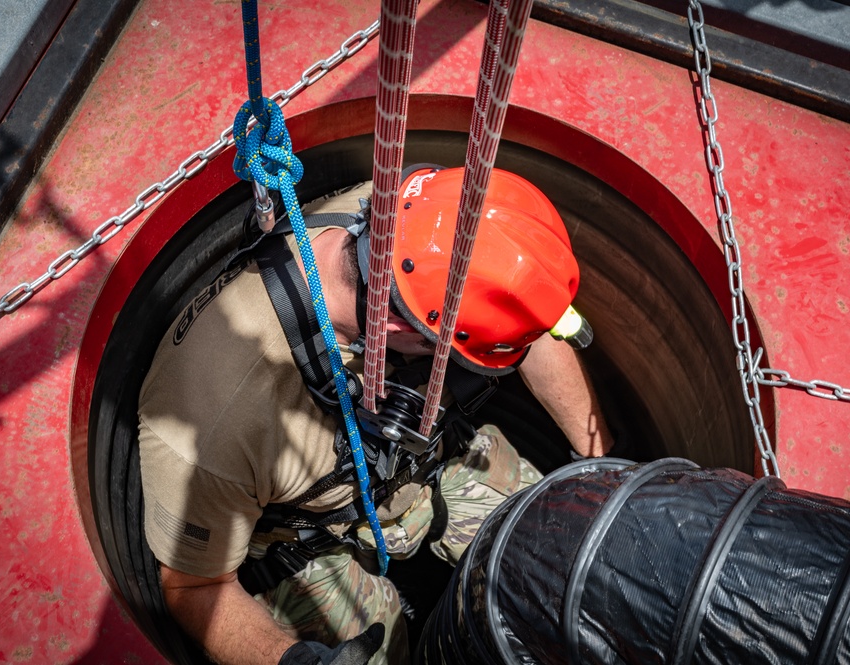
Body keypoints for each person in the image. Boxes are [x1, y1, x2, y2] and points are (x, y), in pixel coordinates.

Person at [138, 165, 614, 665]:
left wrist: (600, 456)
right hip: (314, 543)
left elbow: (522, 327)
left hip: (427, 467)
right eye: (451, 355)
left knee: (569, 550)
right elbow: (194, 587)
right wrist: (294, 660)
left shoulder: (424, 221)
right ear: (395, 325)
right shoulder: (216, 416)